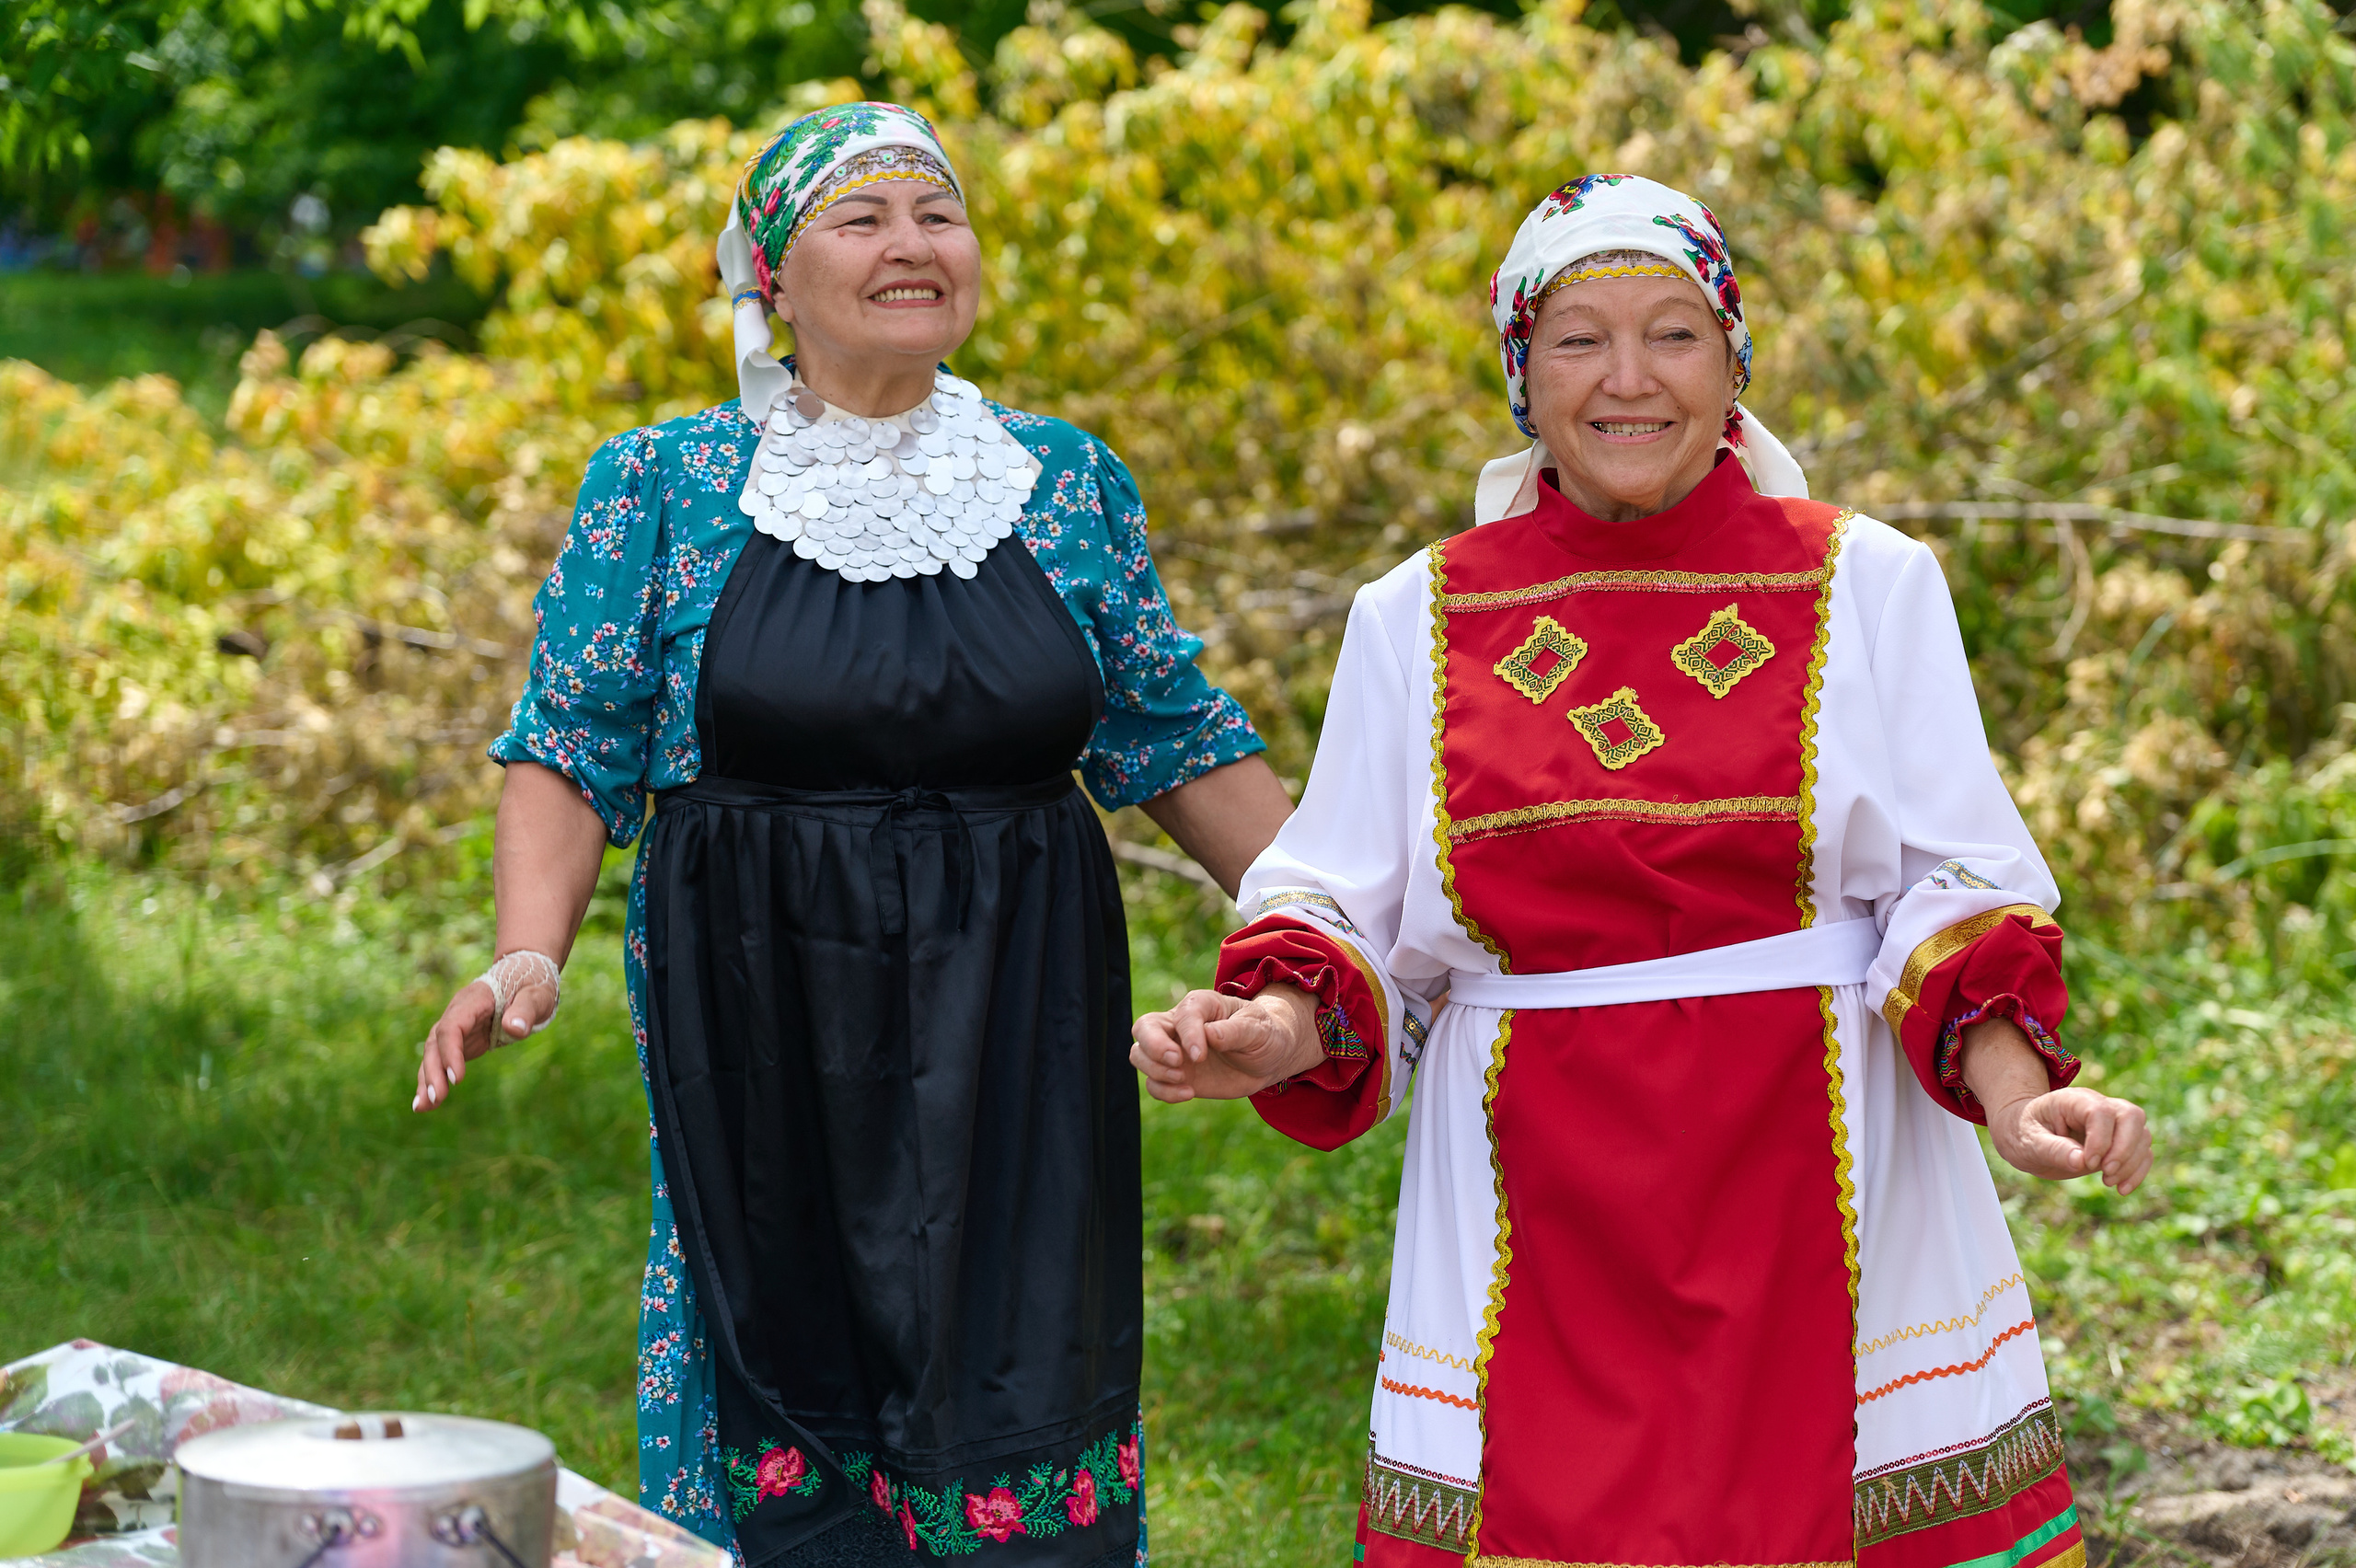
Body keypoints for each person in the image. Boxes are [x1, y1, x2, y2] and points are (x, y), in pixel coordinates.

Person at [1131, 173, 2153, 1568]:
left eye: (1675, 333)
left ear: (1736, 362)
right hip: (1527, 1189)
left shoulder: (1871, 581)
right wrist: (1271, 1024)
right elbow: (1342, 908)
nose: (1629, 380)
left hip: (1823, 1163)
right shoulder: (1414, 615)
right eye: (1577, 340)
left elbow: (1954, 893)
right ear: (1519, 374)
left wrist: (2024, 1102)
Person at [412, 101, 1293, 1567]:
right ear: (769, 272)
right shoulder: (667, 485)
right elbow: (572, 748)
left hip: (1017, 1010)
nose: (911, 246)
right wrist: (524, 959)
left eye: (937, 215)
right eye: (862, 218)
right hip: (760, 1008)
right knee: (784, 1374)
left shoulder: (1065, 480)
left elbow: (1177, 739)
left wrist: (1360, 939)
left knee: (1022, 1352)